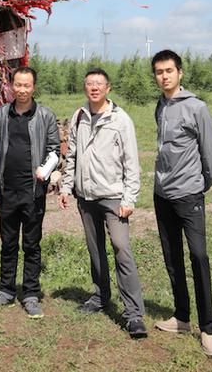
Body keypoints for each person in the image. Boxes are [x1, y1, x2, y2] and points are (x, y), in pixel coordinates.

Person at [59, 67, 148, 339]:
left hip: (113, 197)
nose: (94, 88)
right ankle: (100, 296)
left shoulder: (121, 119)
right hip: (85, 197)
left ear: (108, 88)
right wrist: (65, 186)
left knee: (121, 248)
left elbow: (131, 163)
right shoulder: (78, 116)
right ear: (85, 88)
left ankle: (133, 314)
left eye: (99, 84)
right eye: (89, 84)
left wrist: (129, 198)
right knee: (95, 249)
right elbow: (71, 156)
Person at [151, 49, 212, 358]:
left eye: (169, 70)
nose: (164, 76)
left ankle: (208, 329)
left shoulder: (197, 107)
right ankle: (181, 317)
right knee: (172, 258)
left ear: (179, 72)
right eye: (158, 72)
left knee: (198, 256)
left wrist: (201, 184)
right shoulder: (161, 105)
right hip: (162, 194)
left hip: (189, 195)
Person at [0, 66, 60, 318]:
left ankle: (30, 293)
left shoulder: (46, 116)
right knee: (7, 243)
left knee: (31, 244)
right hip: (7, 190)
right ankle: (6, 290)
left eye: (27, 85)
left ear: (33, 87)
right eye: (18, 85)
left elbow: (54, 150)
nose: (22, 90)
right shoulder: (2, 114)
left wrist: (45, 170)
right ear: (11, 86)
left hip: (33, 191)